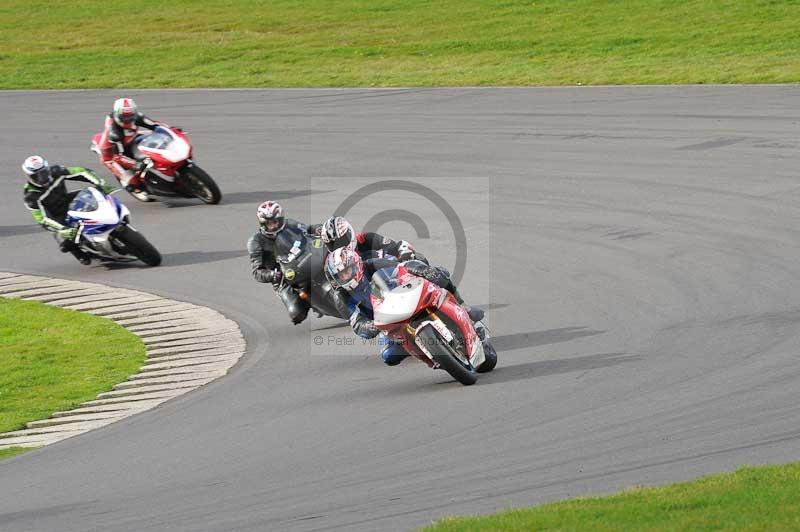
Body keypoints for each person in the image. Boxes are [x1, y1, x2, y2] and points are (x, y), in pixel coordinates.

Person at [325, 247, 484, 366]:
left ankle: (462, 306)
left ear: (356, 264)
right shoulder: (342, 297)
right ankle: (435, 357)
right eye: (340, 276)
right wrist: (370, 326)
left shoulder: (371, 265)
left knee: (439, 274)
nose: (345, 277)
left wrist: (423, 270)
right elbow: (356, 323)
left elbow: (402, 267)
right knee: (389, 356)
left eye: (347, 271)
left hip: (404, 296)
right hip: (386, 321)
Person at [22, 155, 113, 265]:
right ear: (29, 176)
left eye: (44, 173)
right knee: (65, 245)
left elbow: (81, 171)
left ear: (47, 168)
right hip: (55, 216)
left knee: (94, 193)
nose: (42, 178)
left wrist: (100, 183)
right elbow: (42, 219)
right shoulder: (30, 196)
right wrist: (62, 229)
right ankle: (78, 252)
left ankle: (113, 217)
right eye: (36, 176)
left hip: (67, 201)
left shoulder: (56, 171)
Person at [247, 200, 323, 324]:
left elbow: (307, 230)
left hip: (304, 259)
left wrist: (319, 229)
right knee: (297, 313)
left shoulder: (290, 224)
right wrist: (272, 275)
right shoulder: (255, 242)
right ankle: (310, 302)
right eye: (269, 223)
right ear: (262, 224)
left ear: (281, 219)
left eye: (275, 222)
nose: (273, 226)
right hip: (284, 277)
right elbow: (257, 271)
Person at [96, 98, 162, 201]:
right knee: (130, 178)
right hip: (111, 155)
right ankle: (135, 188)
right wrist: (135, 165)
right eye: (124, 118)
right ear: (117, 116)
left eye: (130, 117)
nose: (128, 120)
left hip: (129, 139)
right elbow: (117, 157)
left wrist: (170, 129)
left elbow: (155, 125)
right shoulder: (114, 134)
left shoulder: (138, 117)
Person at [320, 216, 424, 262]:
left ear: (349, 233)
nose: (339, 247)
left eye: (341, 242)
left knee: (419, 259)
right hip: (358, 294)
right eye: (333, 245)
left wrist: (402, 253)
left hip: (385, 284)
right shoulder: (332, 261)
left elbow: (395, 247)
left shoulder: (366, 239)